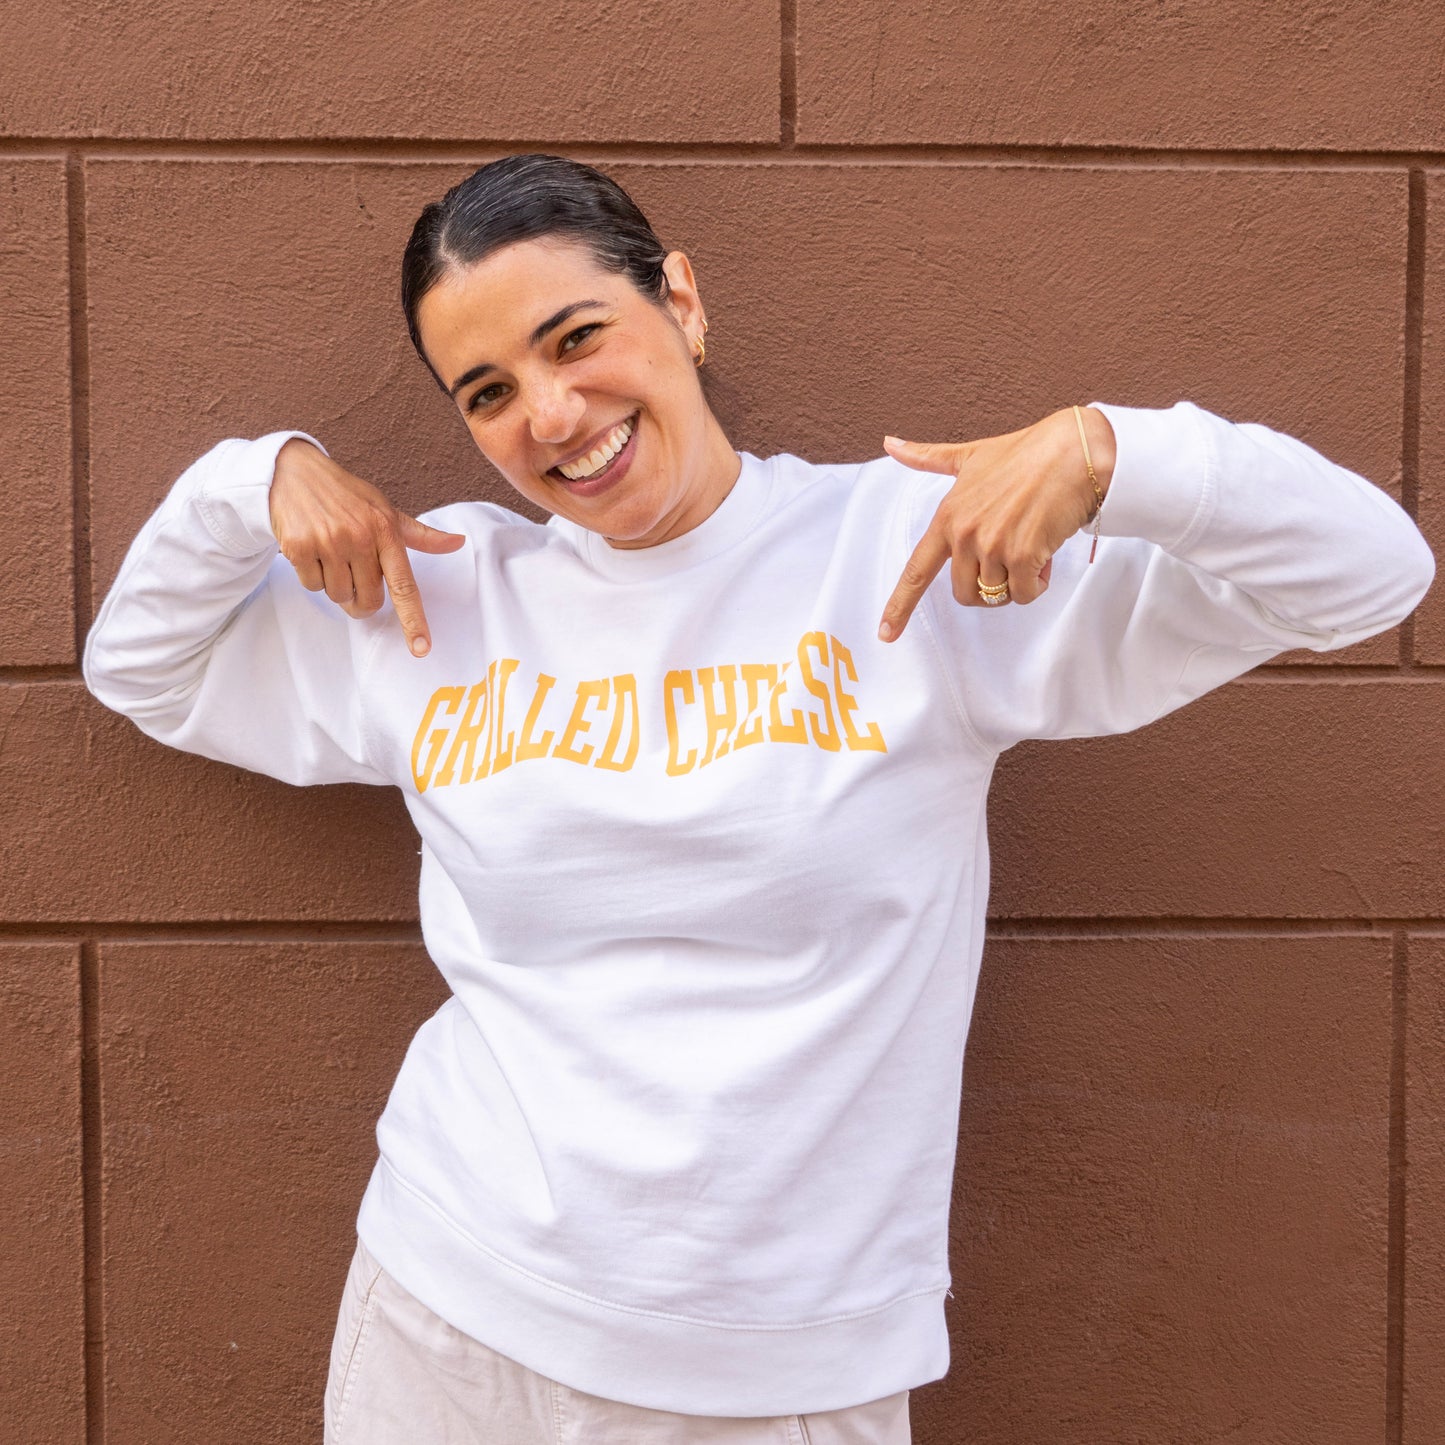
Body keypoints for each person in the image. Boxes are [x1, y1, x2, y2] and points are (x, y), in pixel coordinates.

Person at [84, 153, 1435, 1445]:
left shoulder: (906, 556)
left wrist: (1111, 453)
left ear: (679, 299)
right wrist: (256, 480)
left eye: (574, 338)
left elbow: (1369, 572)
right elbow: (143, 666)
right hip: (452, 1315)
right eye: (487, 392)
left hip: (780, 1369)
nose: (549, 417)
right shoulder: (441, 595)